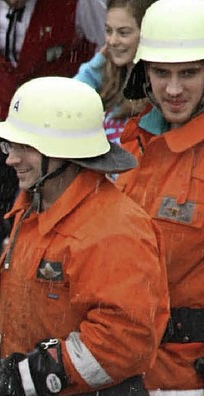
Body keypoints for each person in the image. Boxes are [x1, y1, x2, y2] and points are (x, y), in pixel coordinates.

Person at [0, 77, 169, 395]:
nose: (10, 159)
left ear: (66, 151)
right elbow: (20, 305)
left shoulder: (115, 230)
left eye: (25, 147)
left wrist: (26, 377)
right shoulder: (32, 211)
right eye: (10, 145)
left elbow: (122, 341)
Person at [0, 0, 107, 335]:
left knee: (49, 201)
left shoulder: (80, 4)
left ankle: (50, 303)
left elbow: (109, 45)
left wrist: (77, 93)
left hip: (60, 124)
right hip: (3, 107)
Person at [115, 0, 204, 392]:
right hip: (123, 366)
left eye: (189, 73)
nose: (173, 89)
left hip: (189, 375)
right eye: (160, 72)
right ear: (143, 73)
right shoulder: (130, 143)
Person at [74, 0, 155, 145]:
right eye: (108, 31)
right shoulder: (108, 77)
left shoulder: (157, 90)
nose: (112, 41)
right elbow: (71, 97)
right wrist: (95, 66)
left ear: (147, 33)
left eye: (123, 33)